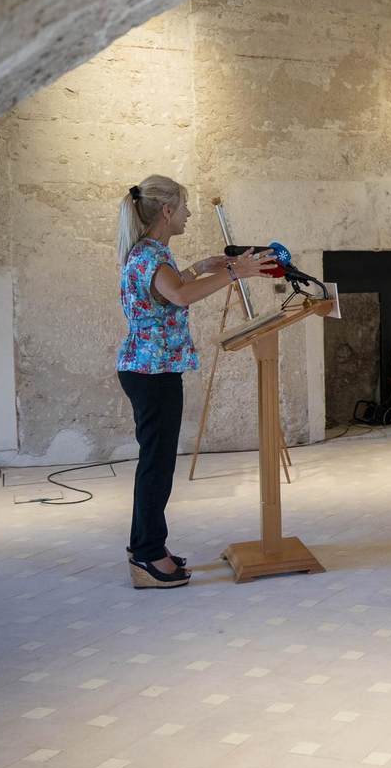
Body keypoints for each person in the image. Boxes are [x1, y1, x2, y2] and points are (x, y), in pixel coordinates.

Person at [116, 176, 278, 588]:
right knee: (157, 467)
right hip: (152, 373)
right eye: (184, 207)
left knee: (156, 464)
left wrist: (200, 268)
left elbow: (167, 289)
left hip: (148, 369)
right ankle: (148, 555)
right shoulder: (152, 256)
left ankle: (146, 546)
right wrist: (236, 272)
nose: (188, 214)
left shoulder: (150, 253)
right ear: (167, 211)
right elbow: (181, 296)